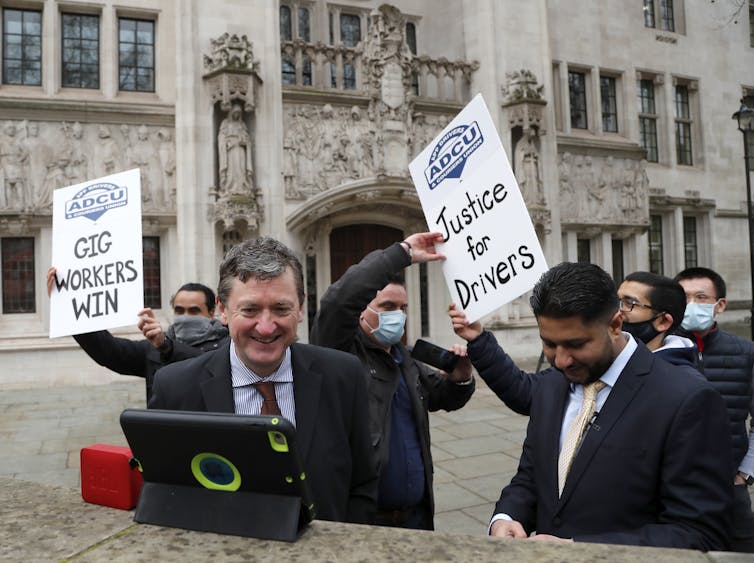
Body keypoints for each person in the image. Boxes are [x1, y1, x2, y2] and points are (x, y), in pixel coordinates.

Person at [453, 262, 732, 549]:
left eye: (576, 344)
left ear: (614, 324)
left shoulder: (687, 399)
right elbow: (531, 477)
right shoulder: (551, 385)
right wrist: (507, 517)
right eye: (549, 344)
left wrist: (579, 548)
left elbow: (698, 533)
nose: (561, 360)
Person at [148, 237, 377, 524]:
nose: (267, 327)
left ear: (301, 307)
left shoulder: (344, 375)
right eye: (250, 310)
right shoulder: (175, 387)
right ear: (222, 310)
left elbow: (363, 484)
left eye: (281, 309)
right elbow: (166, 495)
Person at [309, 232, 475, 530]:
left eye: (403, 308)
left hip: (416, 516)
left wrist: (459, 379)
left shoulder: (404, 358)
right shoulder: (340, 353)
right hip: (366, 521)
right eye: (387, 307)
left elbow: (438, 397)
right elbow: (338, 302)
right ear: (362, 312)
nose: (398, 316)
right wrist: (402, 253)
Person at [47, 267, 228, 401]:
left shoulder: (228, 346)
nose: (185, 317)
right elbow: (109, 351)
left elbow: (205, 364)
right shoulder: (154, 348)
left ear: (212, 312)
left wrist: (167, 346)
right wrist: (67, 308)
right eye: (179, 311)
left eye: (194, 311)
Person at [674, 266, 754, 553]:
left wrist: (745, 472)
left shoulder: (745, 352)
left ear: (720, 305)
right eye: (684, 298)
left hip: (729, 485)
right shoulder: (656, 353)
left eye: (701, 297)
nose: (692, 305)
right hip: (672, 485)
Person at [617, 271, 702, 379]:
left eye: (630, 303)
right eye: (616, 300)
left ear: (663, 321)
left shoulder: (683, 381)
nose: (617, 311)